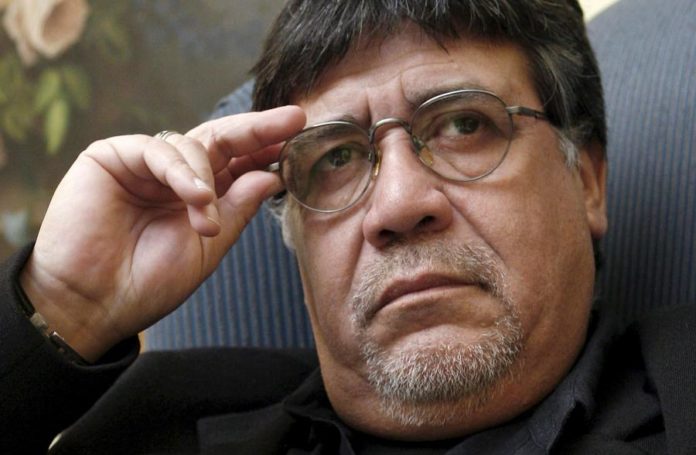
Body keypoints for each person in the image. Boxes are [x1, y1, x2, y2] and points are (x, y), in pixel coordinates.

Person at [1, 0, 694, 453]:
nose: (397, 204)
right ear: (295, 237)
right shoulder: (158, 423)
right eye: (335, 158)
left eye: (463, 124)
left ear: (587, 179)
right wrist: (64, 302)